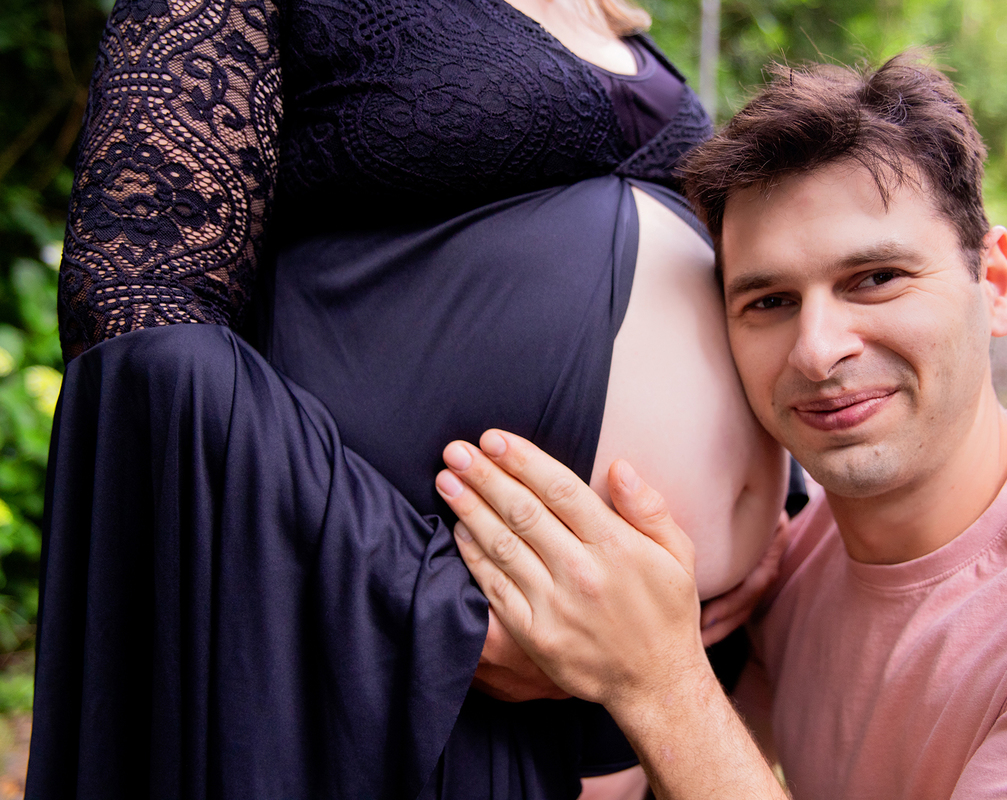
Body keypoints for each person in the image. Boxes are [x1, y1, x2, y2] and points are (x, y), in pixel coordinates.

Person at [33, 0, 796, 797]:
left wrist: (769, 507)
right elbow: (138, 305)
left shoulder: (611, 12)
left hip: (666, 665)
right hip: (416, 660)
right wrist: (434, 610)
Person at [436, 53, 1007, 799]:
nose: (817, 350)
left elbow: (685, 720)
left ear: (994, 284)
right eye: (768, 301)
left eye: (876, 279)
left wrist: (658, 678)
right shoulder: (792, 569)